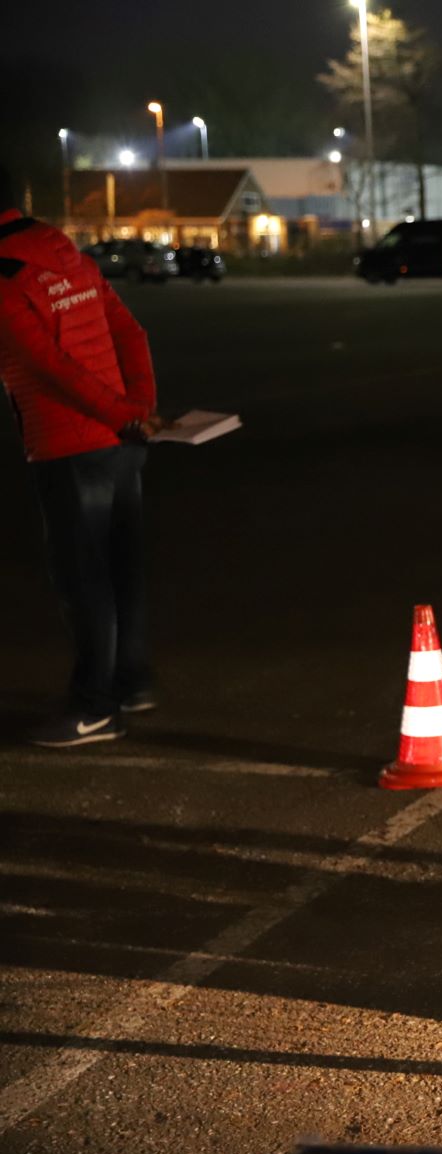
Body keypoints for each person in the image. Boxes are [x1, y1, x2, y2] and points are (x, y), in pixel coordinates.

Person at [0, 165, 161, 747]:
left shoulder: (4, 276)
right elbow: (130, 332)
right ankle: (131, 682)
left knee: (82, 578)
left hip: (69, 445)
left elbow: (49, 367)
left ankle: (94, 706)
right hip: (121, 441)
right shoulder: (60, 249)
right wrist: (138, 406)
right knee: (123, 568)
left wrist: (120, 413)